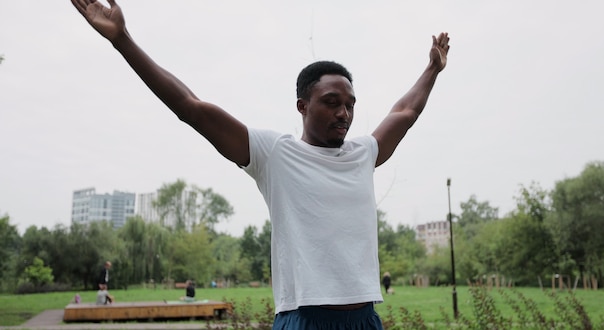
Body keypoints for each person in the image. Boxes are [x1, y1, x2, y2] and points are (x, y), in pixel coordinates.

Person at [70, 1, 450, 328]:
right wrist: (123, 40)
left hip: (365, 319)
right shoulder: (275, 154)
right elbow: (192, 108)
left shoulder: (362, 154)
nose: (344, 112)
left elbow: (405, 110)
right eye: (332, 101)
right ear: (303, 105)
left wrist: (431, 69)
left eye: (350, 104)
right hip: (303, 320)